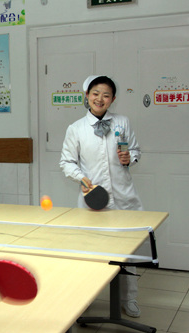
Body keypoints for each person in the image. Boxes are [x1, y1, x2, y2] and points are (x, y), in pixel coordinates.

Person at [59, 75, 143, 318]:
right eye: (95, 93)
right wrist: (81, 178)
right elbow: (66, 162)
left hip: (124, 197)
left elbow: (135, 149)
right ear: (87, 96)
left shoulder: (123, 122)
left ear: (113, 99)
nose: (100, 98)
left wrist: (131, 158)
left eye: (106, 95)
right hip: (92, 201)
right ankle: (84, 298)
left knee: (129, 251)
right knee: (89, 252)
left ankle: (129, 299)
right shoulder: (75, 129)